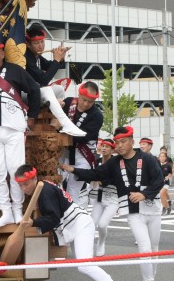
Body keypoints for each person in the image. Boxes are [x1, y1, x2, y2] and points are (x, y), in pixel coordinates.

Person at [64, 126, 164, 281]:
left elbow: (159, 179)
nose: (119, 145)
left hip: (152, 207)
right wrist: (72, 169)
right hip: (132, 210)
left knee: (154, 249)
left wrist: (145, 194)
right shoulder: (115, 162)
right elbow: (96, 174)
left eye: (123, 141)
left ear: (132, 141)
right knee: (145, 248)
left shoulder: (148, 158)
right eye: (117, 142)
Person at [14, 165, 133, 281]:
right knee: (82, 265)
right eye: (20, 185)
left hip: (81, 225)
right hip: (76, 225)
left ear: (34, 178)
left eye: (26, 184)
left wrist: (33, 223)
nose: (24, 188)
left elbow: (53, 218)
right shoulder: (43, 187)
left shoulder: (44, 191)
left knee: (84, 265)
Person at [0, 38, 42, 227]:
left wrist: (32, 117)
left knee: (15, 171)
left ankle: (18, 210)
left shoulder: (16, 71)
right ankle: (5, 212)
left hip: (14, 128)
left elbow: (35, 90)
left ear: (2, 53)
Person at [23, 25, 85, 138]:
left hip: (37, 93)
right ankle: (64, 122)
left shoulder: (36, 55)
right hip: (26, 94)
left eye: (42, 42)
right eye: (36, 43)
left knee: (60, 89)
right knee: (47, 89)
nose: (40, 46)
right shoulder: (26, 57)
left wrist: (60, 58)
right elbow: (44, 80)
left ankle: (55, 120)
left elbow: (48, 66)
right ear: (28, 44)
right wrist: (56, 60)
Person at [58, 81, 104, 209]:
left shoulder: (97, 115)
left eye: (90, 102)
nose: (85, 104)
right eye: (83, 100)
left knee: (74, 189)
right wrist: (56, 105)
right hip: (63, 151)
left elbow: (86, 136)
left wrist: (62, 131)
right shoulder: (67, 103)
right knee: (56, 182)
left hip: (83, 154)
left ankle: (73, 218)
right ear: (79, 94)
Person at [90, 138, 119, 256]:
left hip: (112, 198)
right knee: (92, 224)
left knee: (102, 225)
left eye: (107, 146)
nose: (104, 148)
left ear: (112, 149)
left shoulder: (116, 162)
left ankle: (101, 242)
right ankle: (88, 248)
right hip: (98, 196)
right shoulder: (97, 161)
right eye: (102, 146)